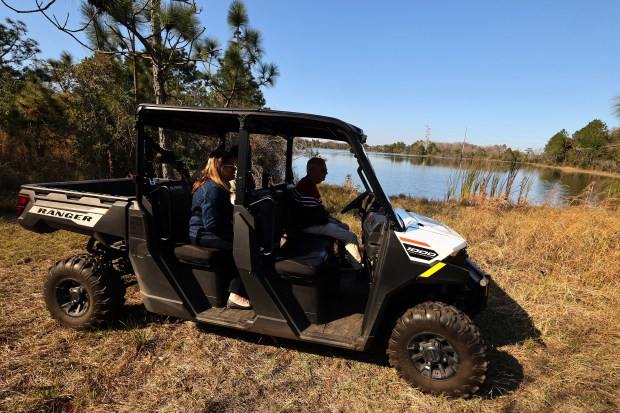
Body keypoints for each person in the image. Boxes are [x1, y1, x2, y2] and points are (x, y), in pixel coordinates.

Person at [188, 150, 251, 309]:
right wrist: (235, 234)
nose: (234, 170)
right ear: (221, 167)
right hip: (201, 233)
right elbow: (211, 223)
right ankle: (235, 294)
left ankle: (242, 286)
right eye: (232, 166)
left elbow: (227, 211)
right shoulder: (212, 189)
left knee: (246, 238)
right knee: (242, 246)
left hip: (210, 230)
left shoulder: (217, 186)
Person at [291, 157, 364, 272]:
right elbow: (315, 217)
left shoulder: (309, 184)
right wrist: (330, 221)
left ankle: (341, 258)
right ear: (311, 171)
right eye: (323, 171)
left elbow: (318, 211)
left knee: (344, 226)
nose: (326, 174)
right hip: (307, 226)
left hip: (312, 222)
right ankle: (358, 269)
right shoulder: (306, 188)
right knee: (351, 237)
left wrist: (332, 219)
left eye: (326, 171)